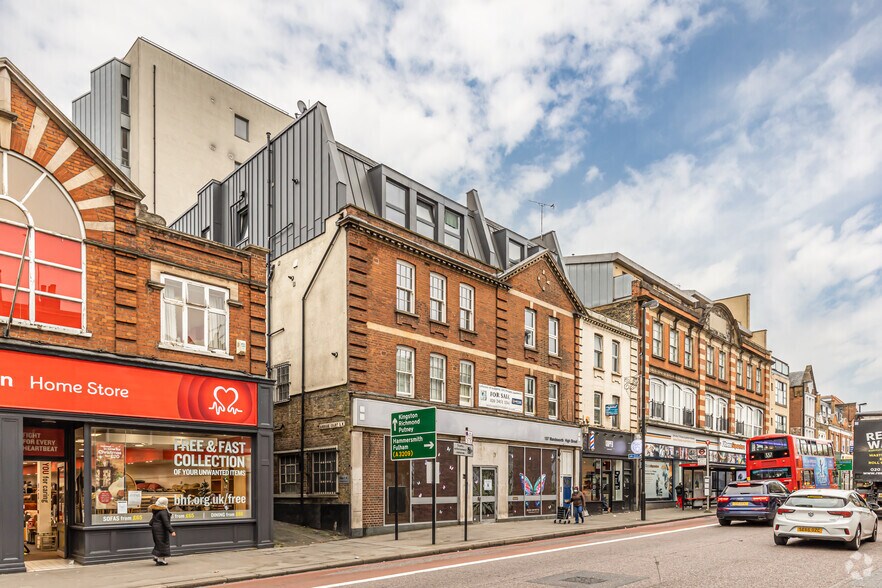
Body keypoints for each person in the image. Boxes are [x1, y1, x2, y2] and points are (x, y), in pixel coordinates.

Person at [149, 497, 176, 565]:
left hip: (156, 529)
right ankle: (160, 560)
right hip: (161, 529)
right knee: (162, 544)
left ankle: (156, 556)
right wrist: (172, 531)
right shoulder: (163, 511)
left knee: (158, 543)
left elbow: (153, 520)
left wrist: (152, 524)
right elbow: (166, 522)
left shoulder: (156, 509)